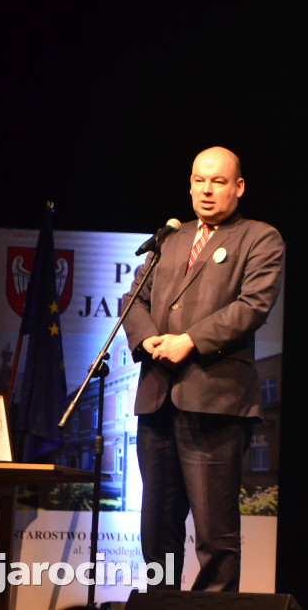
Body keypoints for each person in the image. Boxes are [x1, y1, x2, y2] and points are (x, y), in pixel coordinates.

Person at [121, 146, 284, 591]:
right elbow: (134, 298)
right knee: (157, 532)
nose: (206, 190)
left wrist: (189, 341)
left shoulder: (260, 237)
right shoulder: (170, 238)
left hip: (215, 402)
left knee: (215, 537)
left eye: (217, 181)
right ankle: (161, 603)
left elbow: (252, 306)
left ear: (239, 187)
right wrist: (147, 338)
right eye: (199, 180)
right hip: (158, 399)